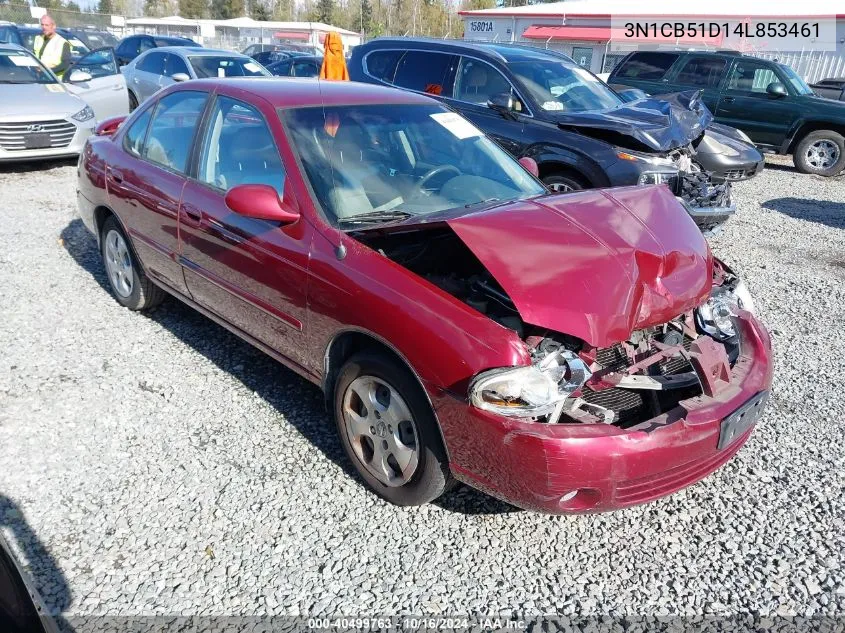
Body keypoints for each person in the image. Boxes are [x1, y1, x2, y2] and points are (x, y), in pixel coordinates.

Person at [33, 14, 71, 79]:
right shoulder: (38, 38)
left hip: (54, 81)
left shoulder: (62, 42)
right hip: (38, 78)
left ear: (54, 26)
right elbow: (34, 56)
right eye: (42, 25)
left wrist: (47, 72)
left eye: (47, 25)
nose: (44, 27)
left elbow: (65, 64)